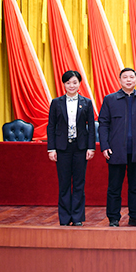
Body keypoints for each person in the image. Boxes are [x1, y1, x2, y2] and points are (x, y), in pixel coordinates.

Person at [98, 68, 136, 227]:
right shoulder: (110, 99)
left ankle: (135, 216)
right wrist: (104, 145)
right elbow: (103, 124)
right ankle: (113, 218)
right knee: (114, 186)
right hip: (116, 150)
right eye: (125, 77)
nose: (128, 80)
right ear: (120, 80)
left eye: (131, 77)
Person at [47, 70, 96, 226]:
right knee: (64, 183)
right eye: (68, 83)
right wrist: (51, 148)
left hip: (80, 147)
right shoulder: (56, 103)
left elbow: (91, 127)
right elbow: (51, 126)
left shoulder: (87, 102)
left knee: (79, 183)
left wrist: (91, 147)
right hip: (62, 147)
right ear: (64, 84)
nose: (71, 86)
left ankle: (77, 217)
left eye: (74, 82)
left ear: (79, 83)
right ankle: (64, 217)